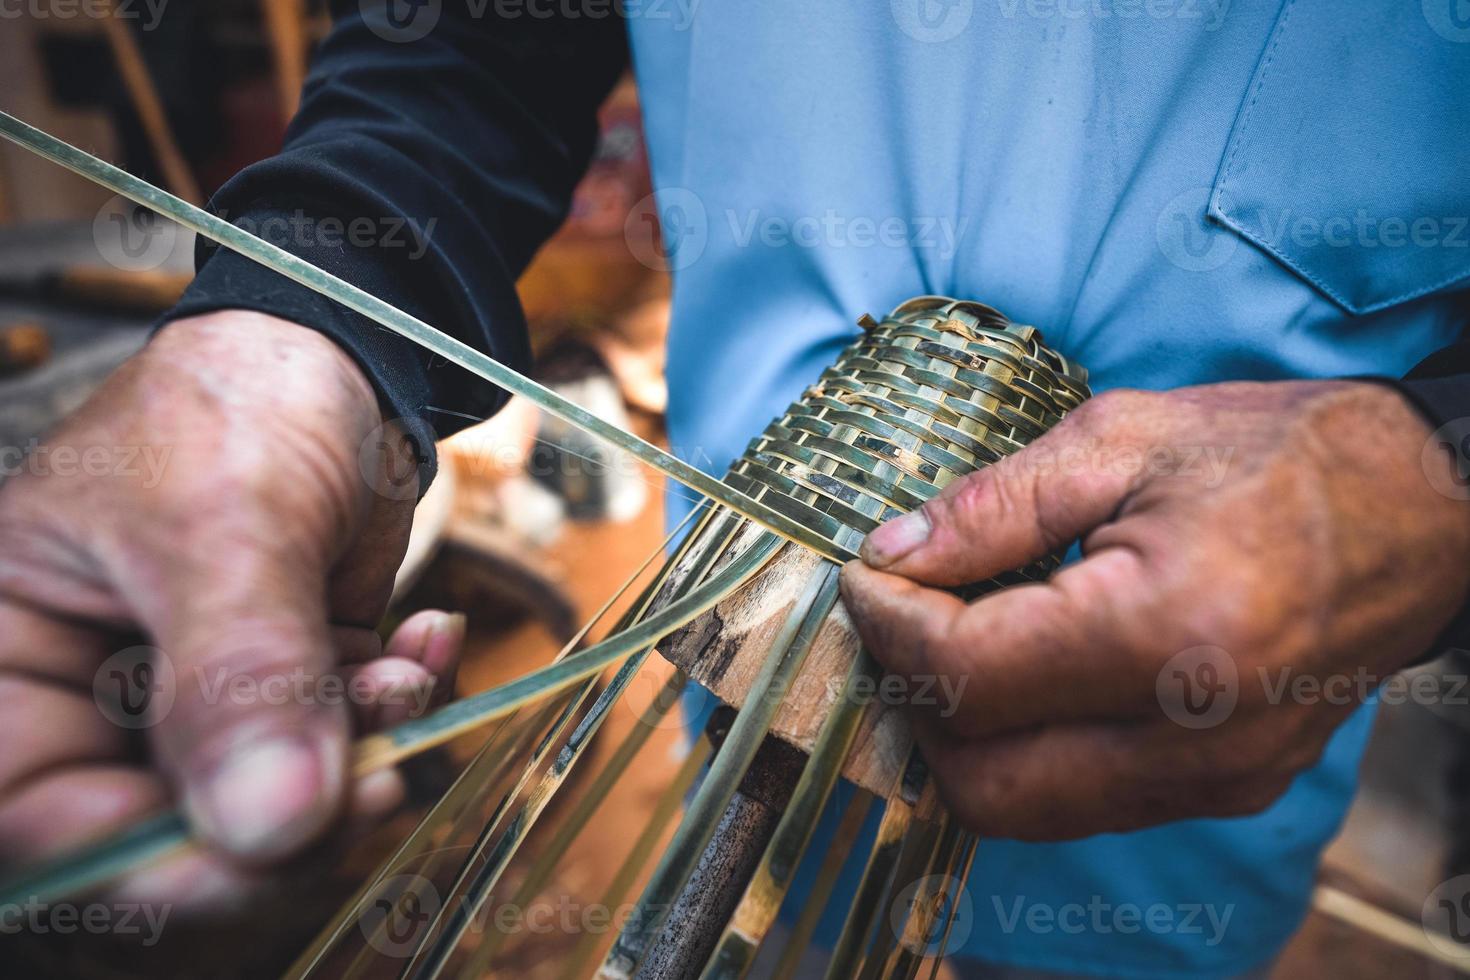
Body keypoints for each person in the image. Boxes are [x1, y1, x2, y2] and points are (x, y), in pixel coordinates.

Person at [1, 3, 1467, 976]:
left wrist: (1436, 469)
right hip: (718, 638)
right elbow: (475, 43)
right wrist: (312, 312)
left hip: (1192, 792)